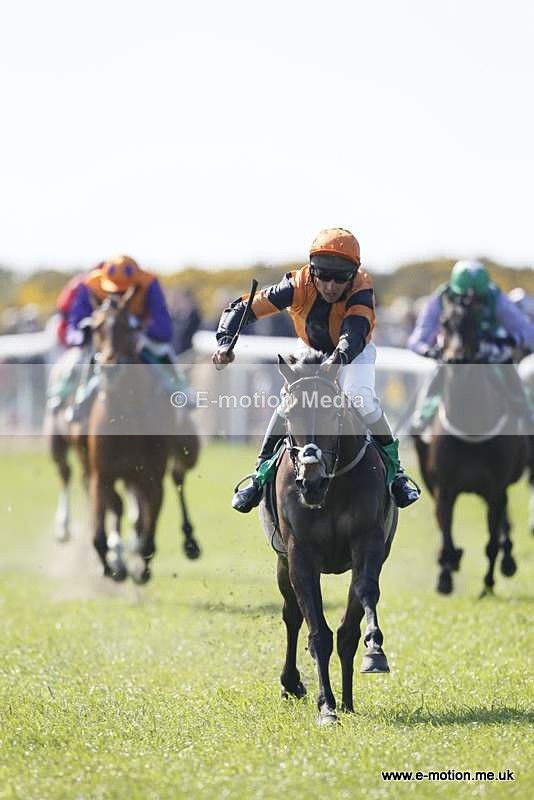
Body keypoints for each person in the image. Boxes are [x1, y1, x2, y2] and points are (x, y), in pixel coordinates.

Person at [212, 227, 420, 512]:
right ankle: (259, 476)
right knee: (290, 401)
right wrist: (225, 342)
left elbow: (355, 332)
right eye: (323, 275)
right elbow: (243, 308)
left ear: (354, 274)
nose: (331, 285)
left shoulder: (362, 288)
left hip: (352, 353)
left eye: (341, 277)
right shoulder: (296, 284)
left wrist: (337, 359)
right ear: (311, 271)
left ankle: (396, 474)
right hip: (310, 348)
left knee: (358, 394)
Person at [408, 259, 534, 431]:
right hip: (453, 356)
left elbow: (528, 331)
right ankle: (422, 415)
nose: (471, 299)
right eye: (465, 296)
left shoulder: (496, 296)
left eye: (478, 297)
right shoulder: (440, 298)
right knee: (440, 370)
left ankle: (526, 413)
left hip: (490, 351)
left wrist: (510, 340)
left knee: (506, 367)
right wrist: (429, 351)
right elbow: (417, 338)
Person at [65, 255, 188, 420]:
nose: (119, 294)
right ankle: (70, 397)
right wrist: (82, 335)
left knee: (163, 350)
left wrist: (141, 328)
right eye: (115, 290)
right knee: (80, 356)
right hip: (104, 336)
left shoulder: (149, 283)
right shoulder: (91, 284)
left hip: (137, 335)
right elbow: (74, 323)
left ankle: (180, 389)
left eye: (124, 290)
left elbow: (164, 328)